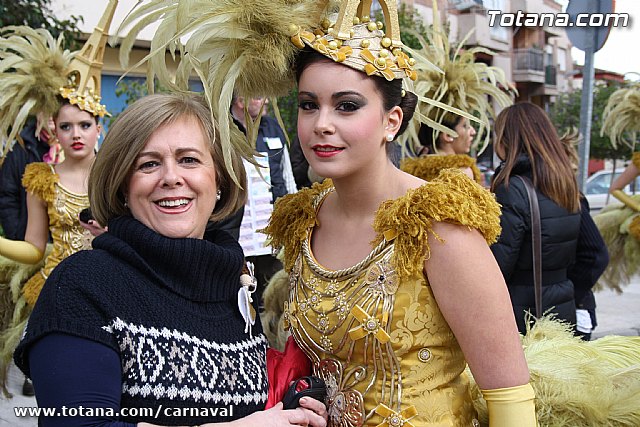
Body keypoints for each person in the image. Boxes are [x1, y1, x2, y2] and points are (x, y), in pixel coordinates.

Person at [119, 1, 536, 424]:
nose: (321, 123)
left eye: (347, 106)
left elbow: (510, 399)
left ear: (391, 121)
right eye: (308, 105)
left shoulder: (436, 223)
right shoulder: (302, 221)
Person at [14, 93, 327, 427]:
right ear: (123, 186)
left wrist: (292, 413)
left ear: (219, 180)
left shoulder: (234, 288)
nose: (171, 177)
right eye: (148, 164)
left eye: (189, 160)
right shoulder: (81, 287)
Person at [0, 23, 112, 397]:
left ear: (99, 127)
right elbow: (34, 248)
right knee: (59, 384)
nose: (76, 134)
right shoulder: (40, 178)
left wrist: (111, 235)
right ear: (55, 131)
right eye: (66, 126)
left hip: (108, 289)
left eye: (84, 124)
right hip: (56, 291)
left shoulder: (119, 176)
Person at [490, 102, 581, 334]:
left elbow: (499, 264)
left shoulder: (513, 188)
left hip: (524, 311)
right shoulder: (563, 184)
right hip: (562, 306)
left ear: (508, 140)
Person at [399, 0, 512, 186]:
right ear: (447, 135)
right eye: (465, 126)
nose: (473, 132)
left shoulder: (409, 172)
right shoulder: (462, 173)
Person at [231, 94, 297, 305]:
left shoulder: (273, 127)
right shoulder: (222, 129)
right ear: (241, 100)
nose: (266, 102)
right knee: (242, 294)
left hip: (273, 233)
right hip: (239, 235)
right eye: (259, 97)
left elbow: (287, 175)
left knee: (275, 295)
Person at [0, 117, 52, 241]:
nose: (50, 115)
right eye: (46, 109)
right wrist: (17, 235)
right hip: (29, 242)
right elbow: (7, 197)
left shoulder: (82, 151)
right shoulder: (20, 150)